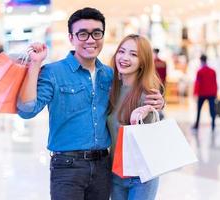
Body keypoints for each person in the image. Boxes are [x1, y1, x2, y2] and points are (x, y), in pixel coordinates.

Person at [16, 7, 164, 200]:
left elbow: (136, 89)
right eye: (82, 34)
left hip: (103, 167)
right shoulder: (53, 73)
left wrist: (159, 102)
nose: (90, 40)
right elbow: (26, 110)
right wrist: (35, 65)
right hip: (67, 167)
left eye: (96, 33)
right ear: (71, 38)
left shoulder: (109, 75)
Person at [107, 34, 165, 200]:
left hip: (142, 176)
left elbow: (156, 123)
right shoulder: (111, 89)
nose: (125, 58)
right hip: (116, 172)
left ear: (143, 62)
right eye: (122, 51)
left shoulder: (148, 94)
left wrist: (151, 111)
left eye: (133, 54)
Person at [192, 54, 218, 132]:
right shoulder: (213, 71)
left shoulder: (200, 71)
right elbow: (215, 83)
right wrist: (215, 93)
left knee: (199, 110)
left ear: (201, 61)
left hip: (202, 94)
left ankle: (196, 125)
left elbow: (197, 83)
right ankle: (213, 125)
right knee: (212, 109)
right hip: (211, 93)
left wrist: (195, 93)